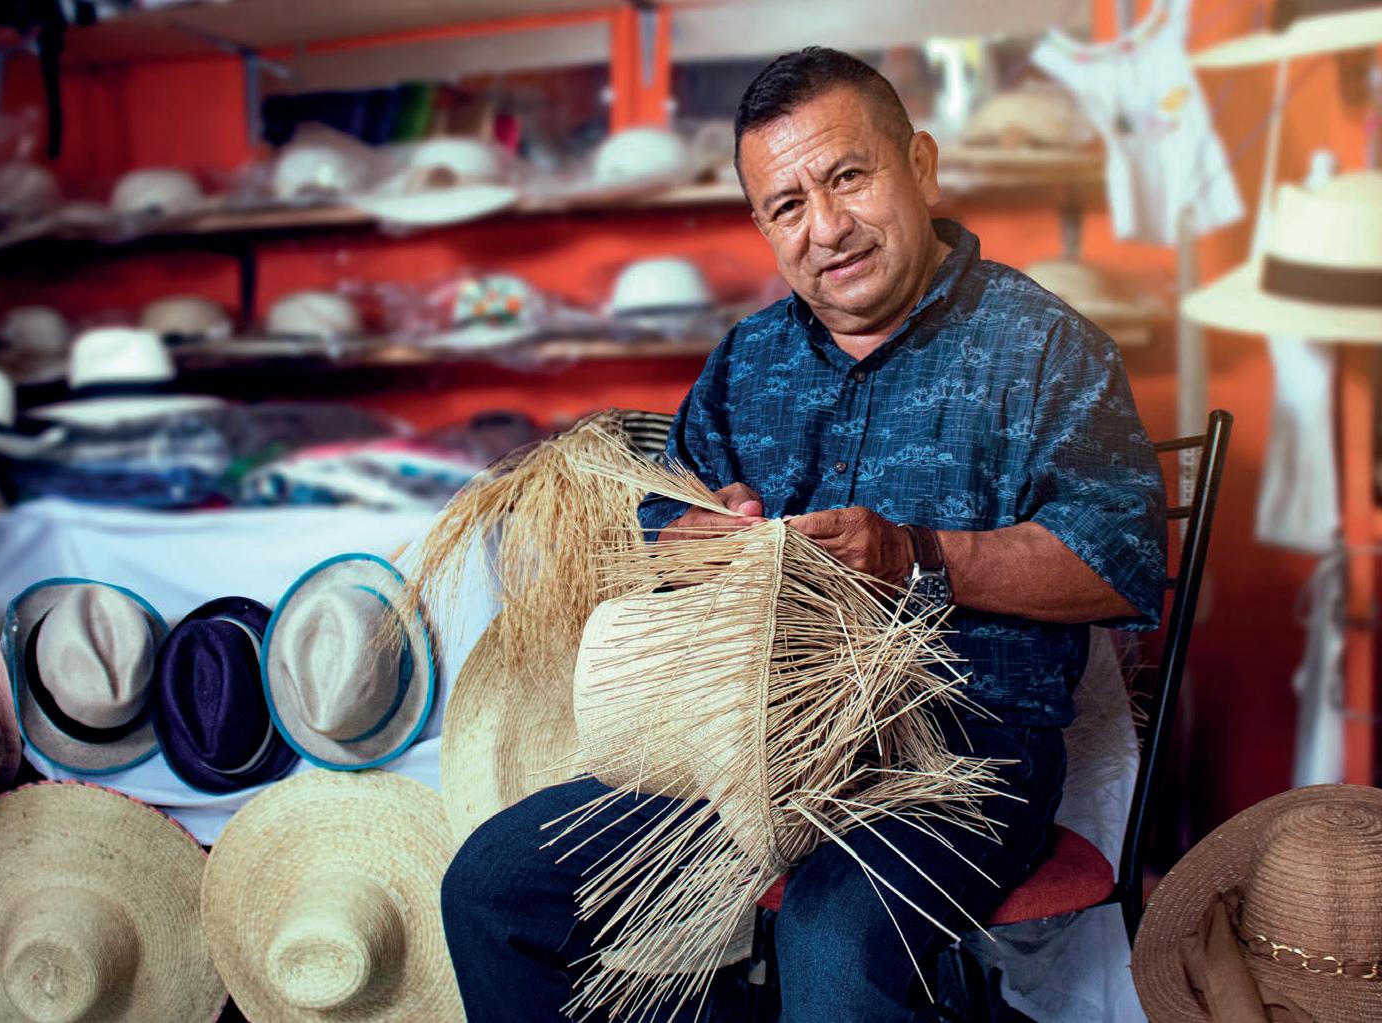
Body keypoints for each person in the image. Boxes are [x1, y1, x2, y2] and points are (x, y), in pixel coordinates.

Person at [441, 46, 1166, 1022]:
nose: (826, 227)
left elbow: (1121, 563)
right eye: (787, 205)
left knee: (829, 938)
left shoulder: (1042, 346)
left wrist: (914, 553)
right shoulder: (748, 360)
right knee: (494, 891)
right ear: (762, 227)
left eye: (849, 177)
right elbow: (662, 516)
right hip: (749, 748)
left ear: (920, 164)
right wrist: (695, 536)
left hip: (956, 763)